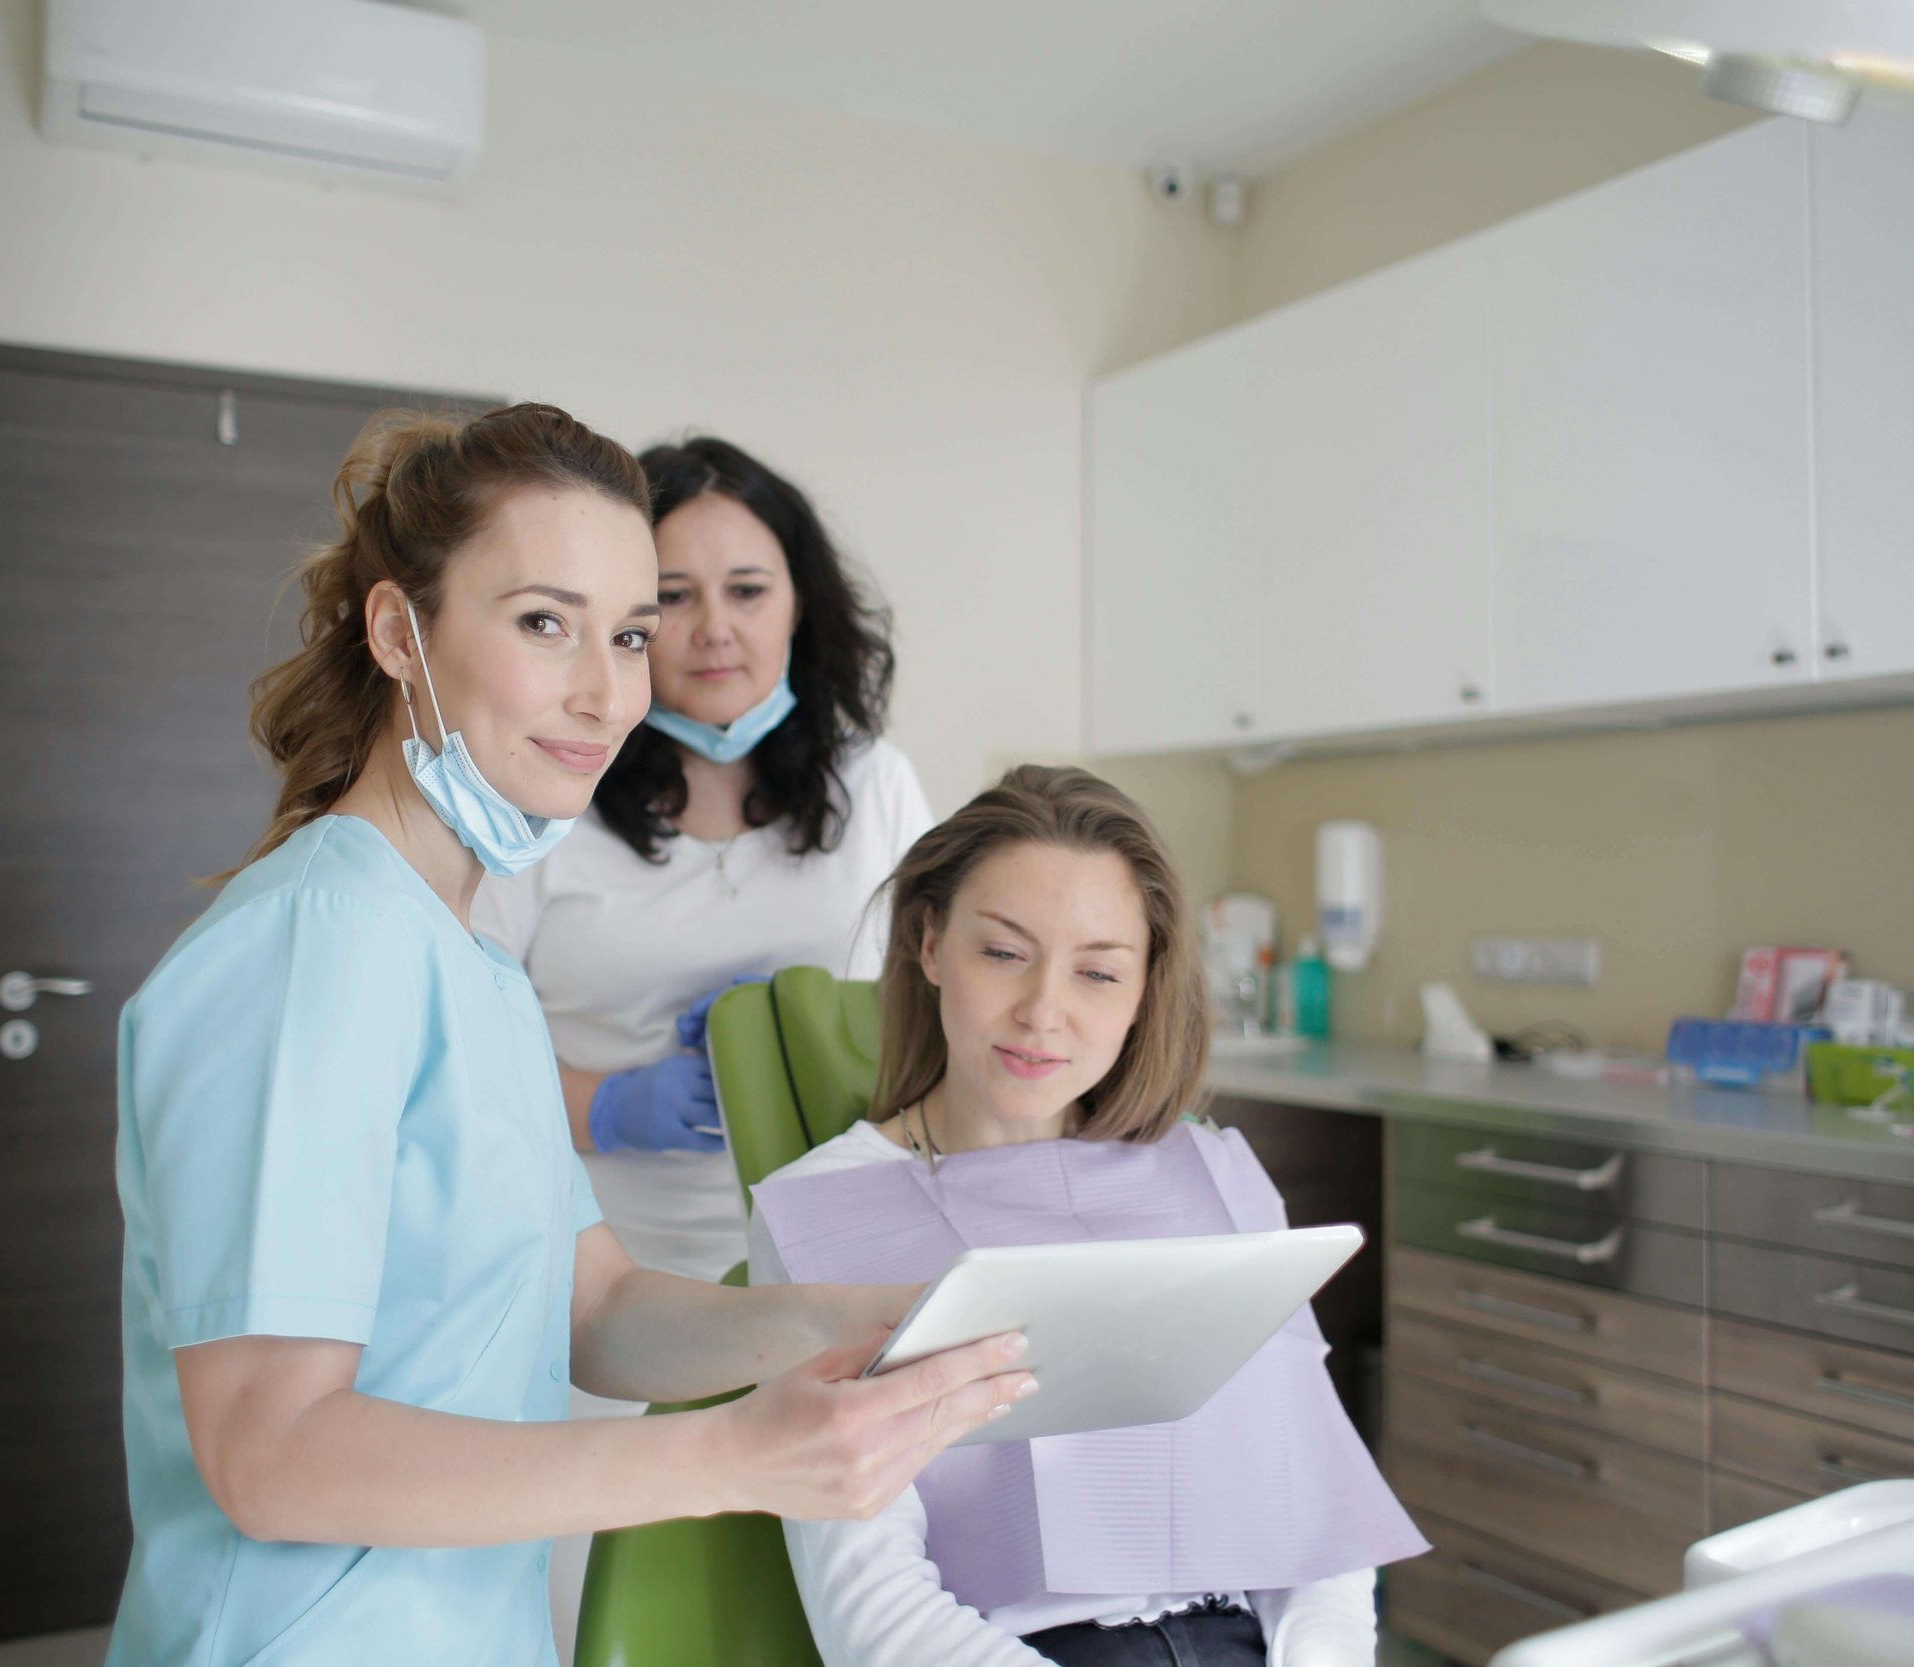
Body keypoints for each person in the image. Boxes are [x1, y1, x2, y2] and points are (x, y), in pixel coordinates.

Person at [106, 403, 1031, 1667]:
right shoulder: (314, 944)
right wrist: (729, 1455)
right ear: (398, 632)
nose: (606, 692)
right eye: (545, 622)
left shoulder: (468, 954)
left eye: (628, 634)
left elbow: (594, 1305)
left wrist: (871, 1321)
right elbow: (271, 1454)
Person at [748, 766, 1425, 1667]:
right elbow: (871, 1609)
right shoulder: (823, 1211)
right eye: (1003, 953)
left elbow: (1313, 1516)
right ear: (931, 943)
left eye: (1099, 972)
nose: (1044, 1012)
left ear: (1145, 991)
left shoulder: (1208, 1173)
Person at [474, 435, 932, 1284]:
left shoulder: (878, 786)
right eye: (673, 596)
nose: (715, 630)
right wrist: (606, 1106)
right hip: (592, 1270)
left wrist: (823, 1025)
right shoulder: (545, 793)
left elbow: (944, 1015)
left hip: (834, 1262)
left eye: (748, 591)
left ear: (800, 603)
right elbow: (457, 1053)